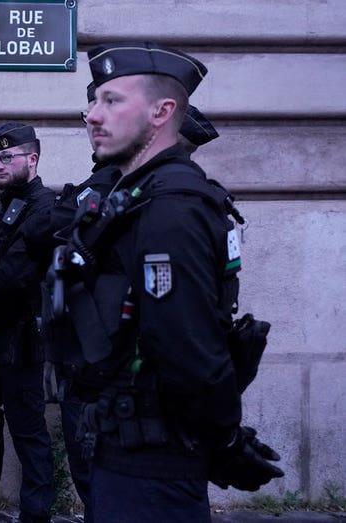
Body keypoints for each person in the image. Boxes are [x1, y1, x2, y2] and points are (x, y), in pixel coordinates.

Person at [47, 42, 283, 522]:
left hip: (154, 469)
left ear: (162, 111)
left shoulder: (171, 207)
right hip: (124, 453)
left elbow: (187, 348)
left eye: (112, 100)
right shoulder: (132, 195)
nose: (93, 114)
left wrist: (226, 439)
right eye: (94, 101)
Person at [0, 124, 57, 523]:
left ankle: (36, 515)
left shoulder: (45, 205)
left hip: (23, 336)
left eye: (8, 157)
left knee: (28, 433)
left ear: (32, 159)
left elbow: (15, 271)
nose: (0, 165)